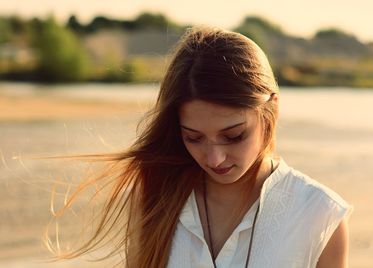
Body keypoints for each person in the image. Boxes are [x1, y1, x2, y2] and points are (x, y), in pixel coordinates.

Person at [49, 26, 353, 268]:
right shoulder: (154, 197)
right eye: (193, 137)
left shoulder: (319, 214)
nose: (214, 157)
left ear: (270, 109)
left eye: (233, 135)